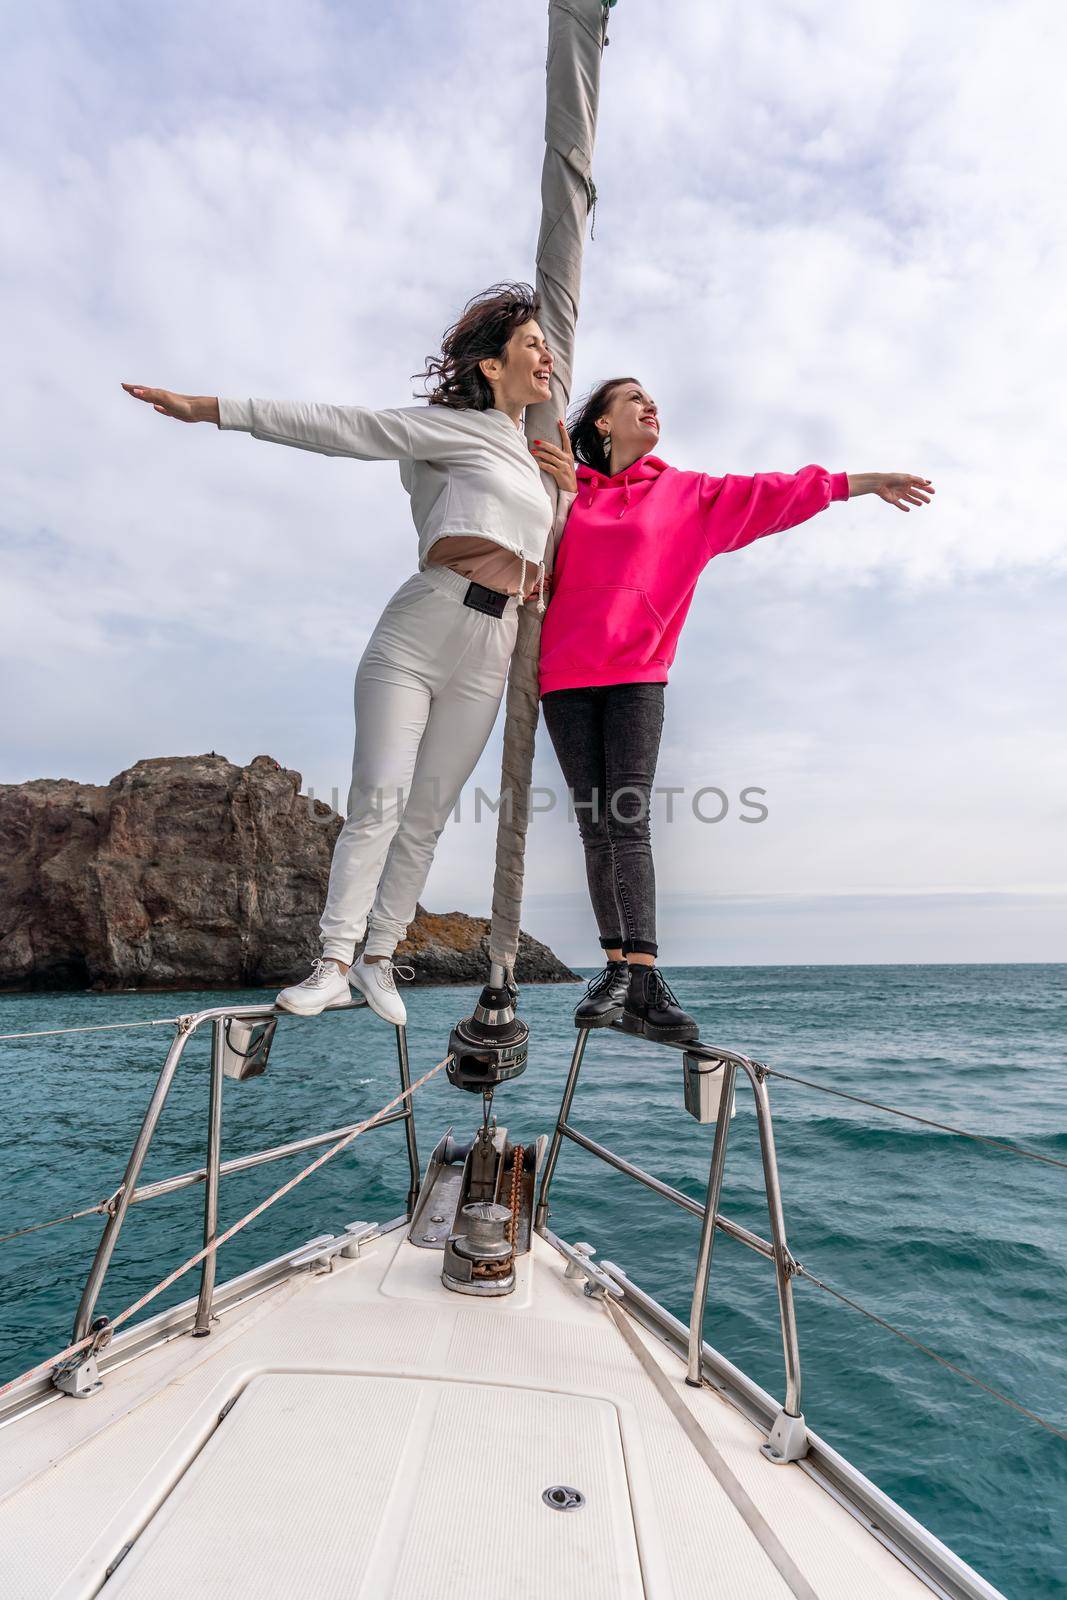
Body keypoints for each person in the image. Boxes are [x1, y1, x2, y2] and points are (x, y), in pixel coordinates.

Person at [124, 283, 568, 1025]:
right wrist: (211, 410)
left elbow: (556, 563)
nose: (545, 357)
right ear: (492, 367)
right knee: (381, 802)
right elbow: (343, 427)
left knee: (426, 815)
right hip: (423, 625)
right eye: (531, 344)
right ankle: (331, 962)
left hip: (496, 644)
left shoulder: (538, 462)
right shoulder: (454, 430)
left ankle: (378, 957)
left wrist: (570, 492)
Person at [530, 378, 934, 1042]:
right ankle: (616, 969)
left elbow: (777, 492)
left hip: (636, 676)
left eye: (651, 397)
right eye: (631, 398)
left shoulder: (686, 495)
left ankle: (643, 979)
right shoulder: (565, 493)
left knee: (626, 823)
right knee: (594, 829)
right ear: (601, 424)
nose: (649, 404)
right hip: (563, 679)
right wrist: (550, 481)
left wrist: (863, 482)